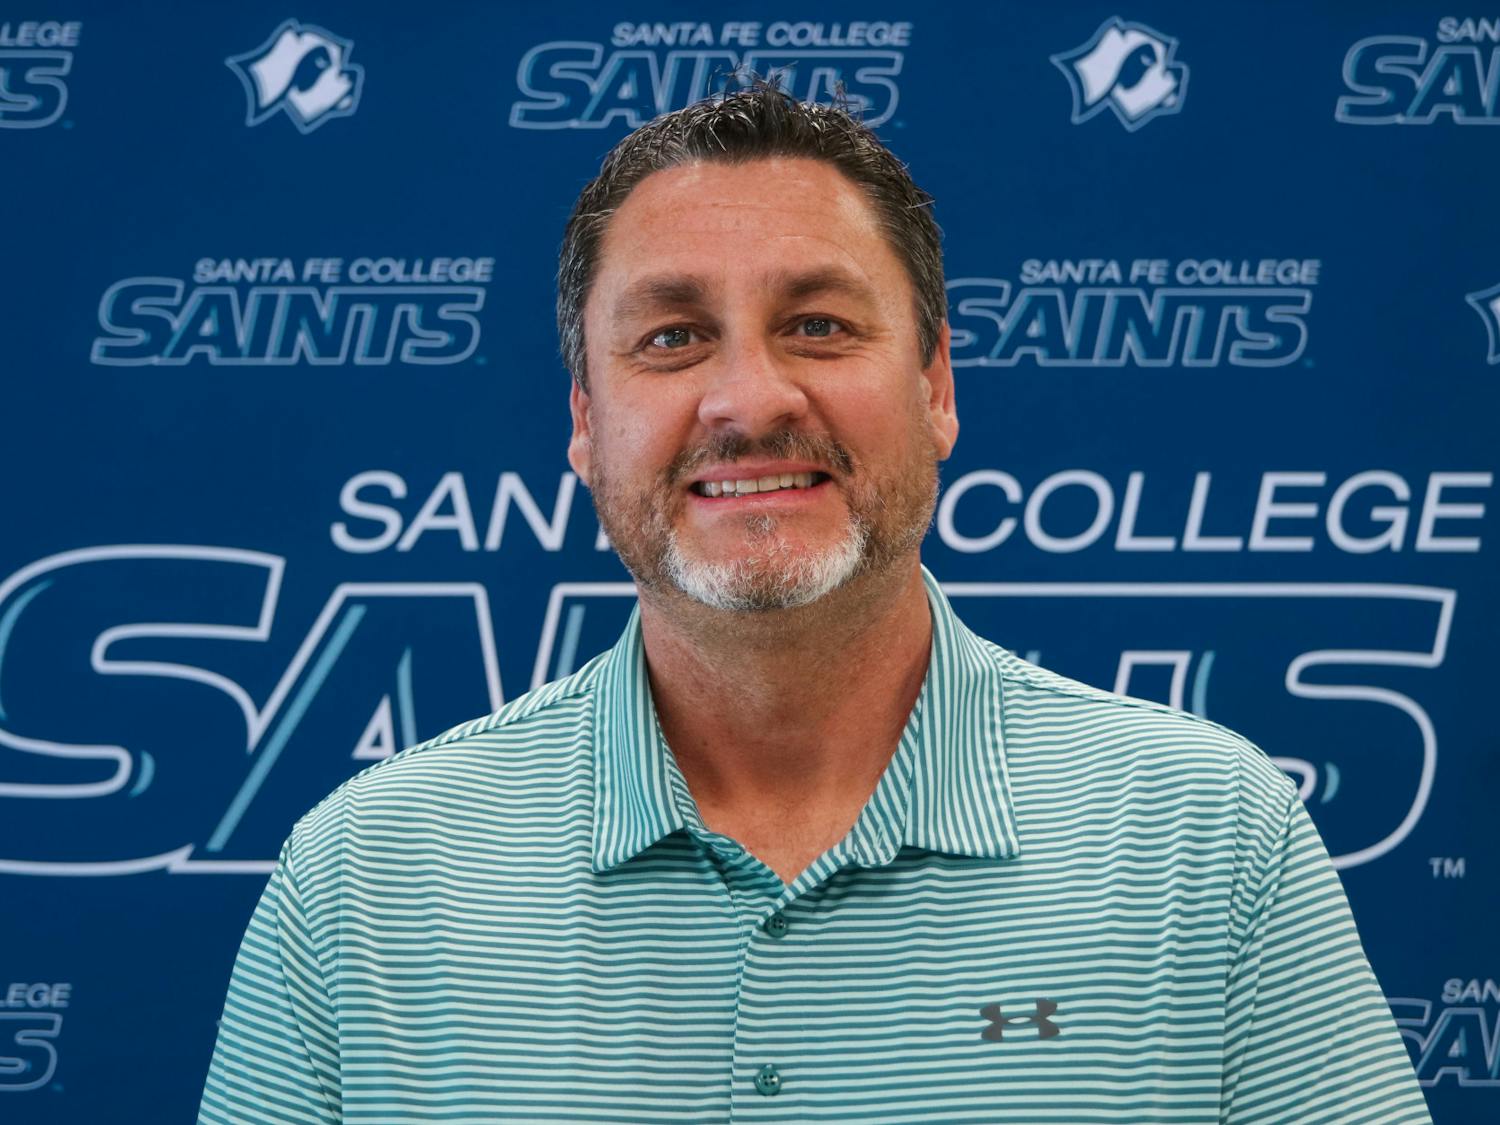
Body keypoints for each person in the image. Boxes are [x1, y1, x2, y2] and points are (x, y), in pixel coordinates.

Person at [199, 82, 1431, 1124]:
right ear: (584, 420)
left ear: (937, 387)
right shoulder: (367, 880)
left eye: (820, 325)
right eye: (672, 339)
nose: (749, 399)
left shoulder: (1207, 840)